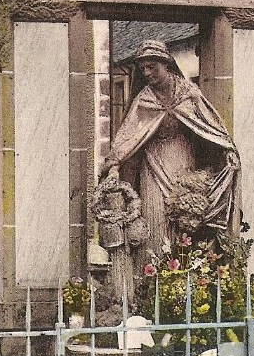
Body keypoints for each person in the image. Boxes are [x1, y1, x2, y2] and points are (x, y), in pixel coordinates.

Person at [100, 39, 241, 260]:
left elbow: (210, 125)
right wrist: (115, 163)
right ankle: (153, 274)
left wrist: (227, 150)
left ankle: (184, 273)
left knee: (186, 215)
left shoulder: (188, 93)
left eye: (152, 67)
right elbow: (128, 134)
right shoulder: (144, 98)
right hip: (154, 163)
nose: (147, 73)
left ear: (166, 64)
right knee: (156, 216)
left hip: (182, 159)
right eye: (143, 68)